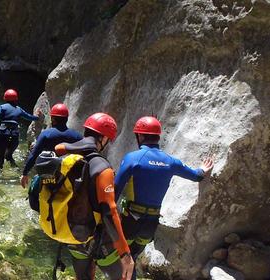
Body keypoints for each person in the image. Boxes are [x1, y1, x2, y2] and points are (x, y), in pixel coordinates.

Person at [113, 116, 214, 280]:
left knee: (121, 260)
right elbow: (196, 176)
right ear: (158, 136)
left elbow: (114, 192)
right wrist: (203, 169)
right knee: (134, 257)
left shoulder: (133, 158)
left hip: (131, 220)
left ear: (139, 136)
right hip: (151, 223)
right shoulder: (170, 161)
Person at [54, 112, 134, 280]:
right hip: (100, 240)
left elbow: (59, 147)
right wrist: (125, 254)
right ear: (103, 139)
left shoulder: (65, 156)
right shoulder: (102, 168)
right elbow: (109, 212)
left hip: (71, 235)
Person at [0, 89, 41, 169]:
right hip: (14, 137)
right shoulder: (19, 109)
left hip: (1, 136)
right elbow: (30, 117)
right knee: (8, 155)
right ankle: (14, 165)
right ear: (16, 98)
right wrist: (37, 116)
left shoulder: (2, 108)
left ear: (5, 98)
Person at [20, 103, 82, 188]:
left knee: (34, 191)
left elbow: (33, 155)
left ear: (53, 119)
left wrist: (25, 173)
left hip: (49, 176)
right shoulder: (77, 136)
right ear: (66, 119)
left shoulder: (46, 135)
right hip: (70, 177)